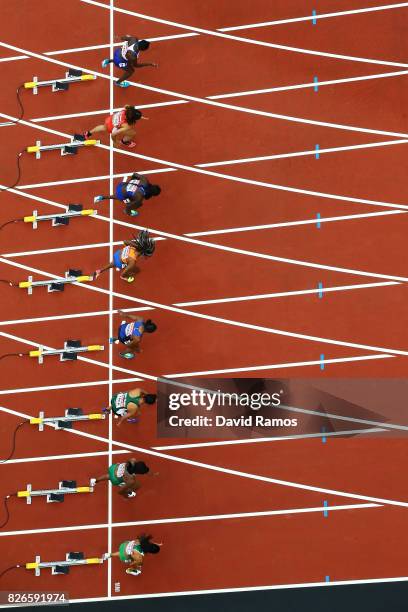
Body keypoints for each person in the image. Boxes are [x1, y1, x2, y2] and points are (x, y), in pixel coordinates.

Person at [94, 173, 161, 217]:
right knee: (138, 204)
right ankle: (101, 197)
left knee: (127, 195)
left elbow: (134, 174)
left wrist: (131, 183)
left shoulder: (145, 179)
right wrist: (128, 212)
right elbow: (128, 206)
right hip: (121, 194)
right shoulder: (140, 198)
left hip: (121, 185)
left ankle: (101, 197)